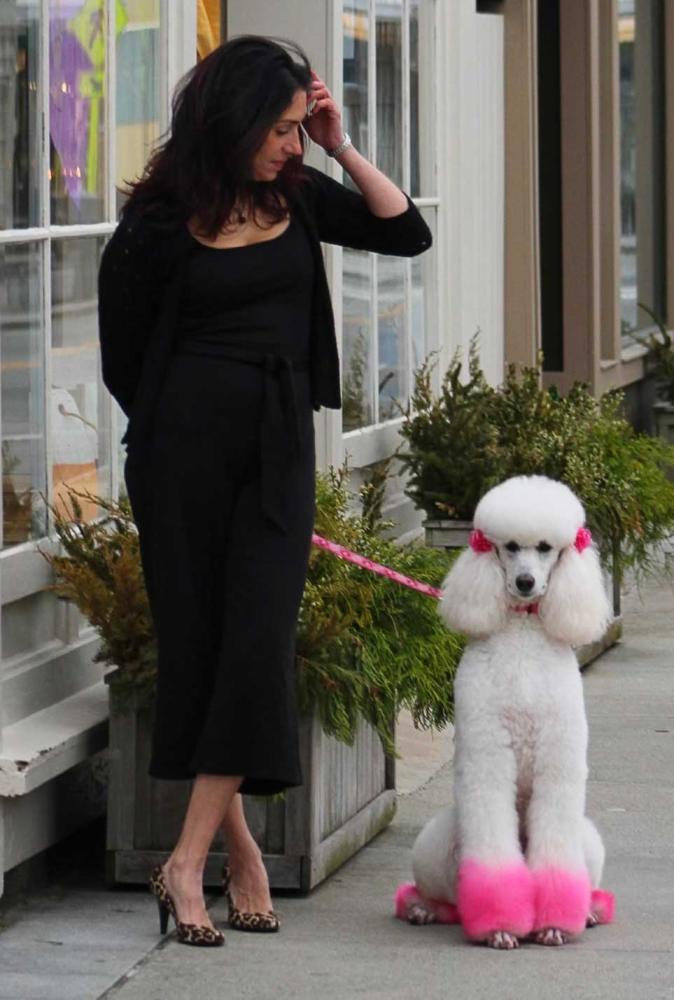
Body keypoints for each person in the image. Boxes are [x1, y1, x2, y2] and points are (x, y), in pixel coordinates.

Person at [98, 35, 432, 948]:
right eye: (282, 128)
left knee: (255, 645)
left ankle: (181, 863)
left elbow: (405, 231)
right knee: (202, 652)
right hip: (177, 465)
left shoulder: (302, 194)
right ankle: (239, 856)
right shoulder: (160, 226)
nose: (291, 142)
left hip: (276, 455)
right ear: (235, 120)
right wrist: (185, 424)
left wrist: (338, 144)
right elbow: (122, 355)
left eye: (299, 127)